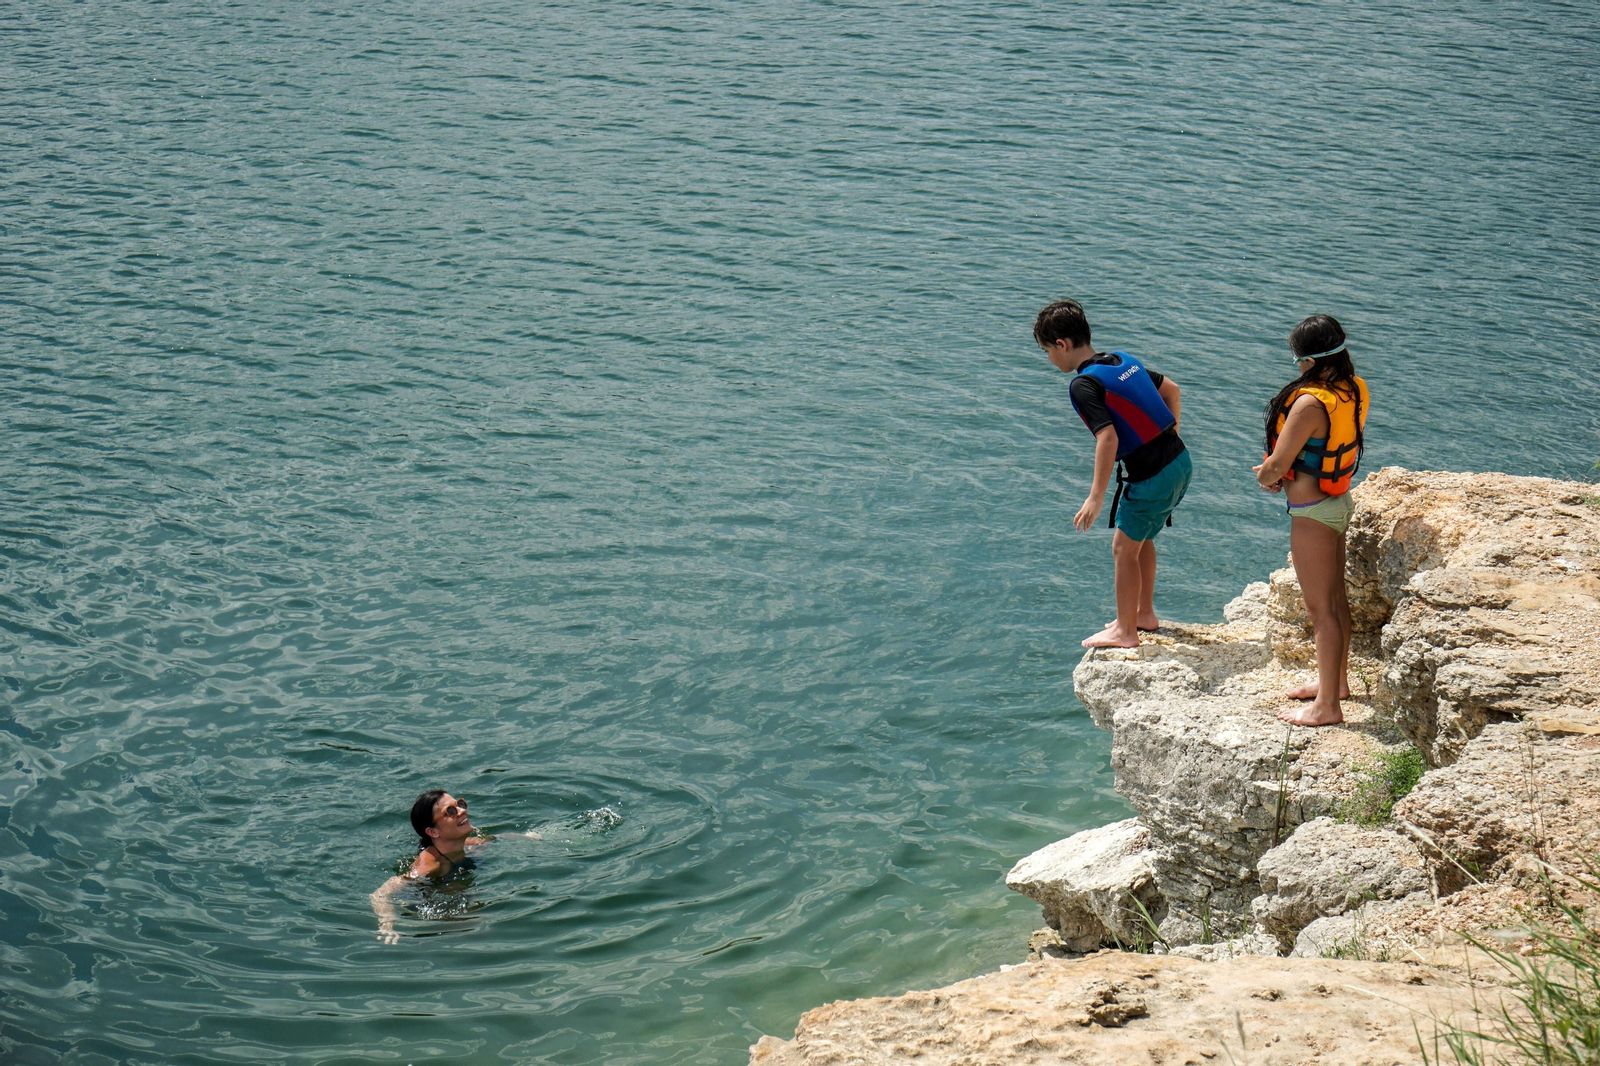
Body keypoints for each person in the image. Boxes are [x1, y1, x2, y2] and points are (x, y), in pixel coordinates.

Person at [1035, 299, 1191, 649]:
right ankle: (1143, 613)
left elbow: (1108, 438)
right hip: (1180, 462)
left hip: (1152, 475)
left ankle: (1125, 631)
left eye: (1047, 351)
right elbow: (1172, 389)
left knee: (1122, 548)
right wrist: (1172, 435)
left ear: (1062, 344)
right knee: (1141, 537)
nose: (1049, 359)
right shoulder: (1123, 360)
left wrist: (1095, 497)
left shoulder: (1083, 385)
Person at [1253, 315, 1370, 727]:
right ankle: (1334, 685)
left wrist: (1268, 476)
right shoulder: (1353, 389)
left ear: (1308, 358)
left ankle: (1327, 709)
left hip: (1312, 515)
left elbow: (1279, 464)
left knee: (1321, 611)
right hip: (1337, 504)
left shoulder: (1309, 402)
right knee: (1336, 601)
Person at [370, 789, 536, 944]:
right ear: (433, 832)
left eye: (460, 804)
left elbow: (493, 839)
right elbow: (381, 894)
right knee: (487, 928)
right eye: (450, 811)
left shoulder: (470, 845)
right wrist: (387, 922)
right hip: (429, 910)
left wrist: (530, 837)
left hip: (456, 884)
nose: (461, 811)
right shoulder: (430, 864)